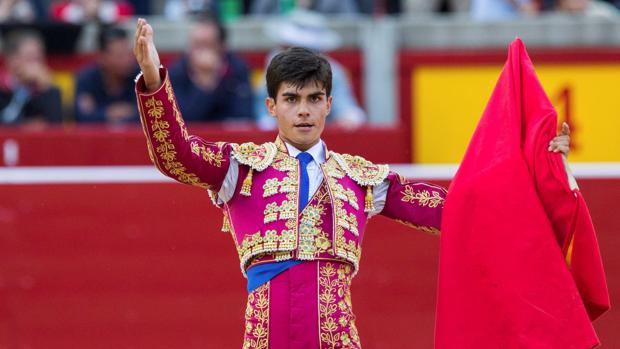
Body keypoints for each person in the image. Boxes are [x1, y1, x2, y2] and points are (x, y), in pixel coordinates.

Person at [133, 18, 570, 348]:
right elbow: (176, 153)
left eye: (313, 99)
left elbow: (456, 209)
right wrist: (154, 81)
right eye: (291, 99)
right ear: (271, 105)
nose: (302, 110)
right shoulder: (241, 168)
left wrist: (541, 170)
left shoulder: (361, 179)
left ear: (329, 104)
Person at [256, 9, 366, 130]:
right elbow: (263, 113)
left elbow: (346, 108)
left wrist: (348, 118)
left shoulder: (333, 71)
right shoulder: (273, 65)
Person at [168, 13, 254, 122]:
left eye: (206, 45)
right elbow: (181, 120)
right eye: (195, 44)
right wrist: (205, 82)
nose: (199, 53)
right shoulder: (177, 71)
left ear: (222, 46)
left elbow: (244, 116)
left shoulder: (237, 69)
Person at [74, 26, 139, 124]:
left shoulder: (141, 77)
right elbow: (82, 117)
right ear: (102, 57)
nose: (128, 60)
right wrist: (108, 113)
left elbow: (151, 115)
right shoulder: (86, 79)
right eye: (120, 56)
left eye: (129, 54)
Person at [0, 30, 62, 125]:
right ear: (12, 60)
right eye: (31, 58)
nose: (37, 65)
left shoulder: (46, 90)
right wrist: (25, 125)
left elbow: (55, 127)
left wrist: (46, 87)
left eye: (39, 58)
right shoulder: (3, 88)